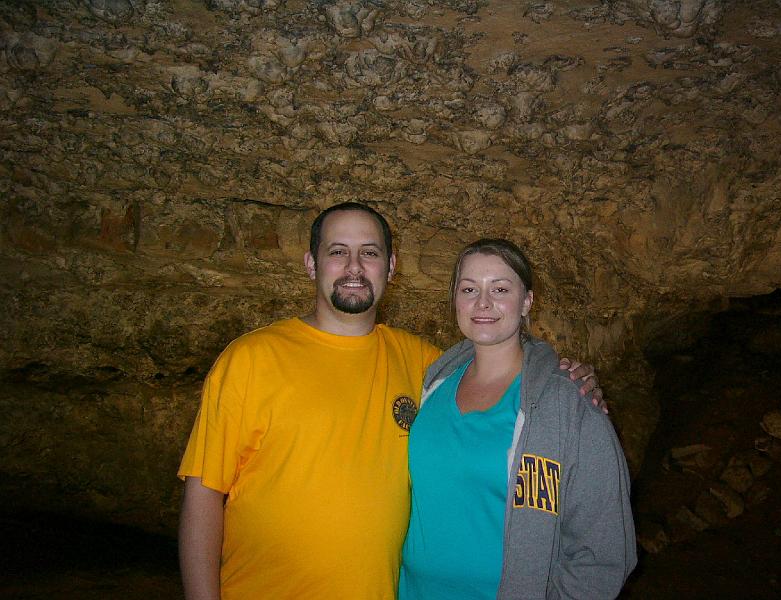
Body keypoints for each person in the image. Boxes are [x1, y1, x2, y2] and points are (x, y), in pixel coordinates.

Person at [177, 203, 604, 599]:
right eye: (337, 251)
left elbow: (496, 371)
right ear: (311, 264)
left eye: (370, 253)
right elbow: (203, 496)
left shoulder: (425, 366)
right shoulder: (251, 359)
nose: (354, 268)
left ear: (391, 267)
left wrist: (566, 380)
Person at [400, 239, 636, 600]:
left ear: (526, 301)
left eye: (500, 289)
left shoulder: (566, 406)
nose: (483, 303)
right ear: (455, 300)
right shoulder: (431, 387)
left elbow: (602, 551)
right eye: (469, 289)